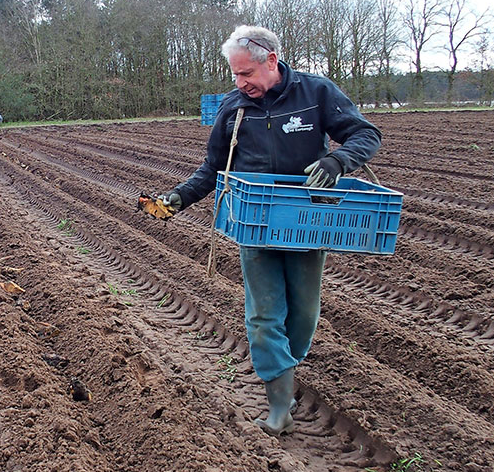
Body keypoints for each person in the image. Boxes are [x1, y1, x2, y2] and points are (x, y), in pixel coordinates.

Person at [158, 25, 382, 435]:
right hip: (256, 222)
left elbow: (365, 134)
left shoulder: (315, 94)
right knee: (264, 317)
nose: (241, 84)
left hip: (305, 222)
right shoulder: (234, 107)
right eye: (235, 76)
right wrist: (179, 197)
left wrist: (337, 162)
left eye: (247, 74)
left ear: (271, 61)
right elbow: (213, 167)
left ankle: (284, 372)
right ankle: (280, 403)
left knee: (304, 315)